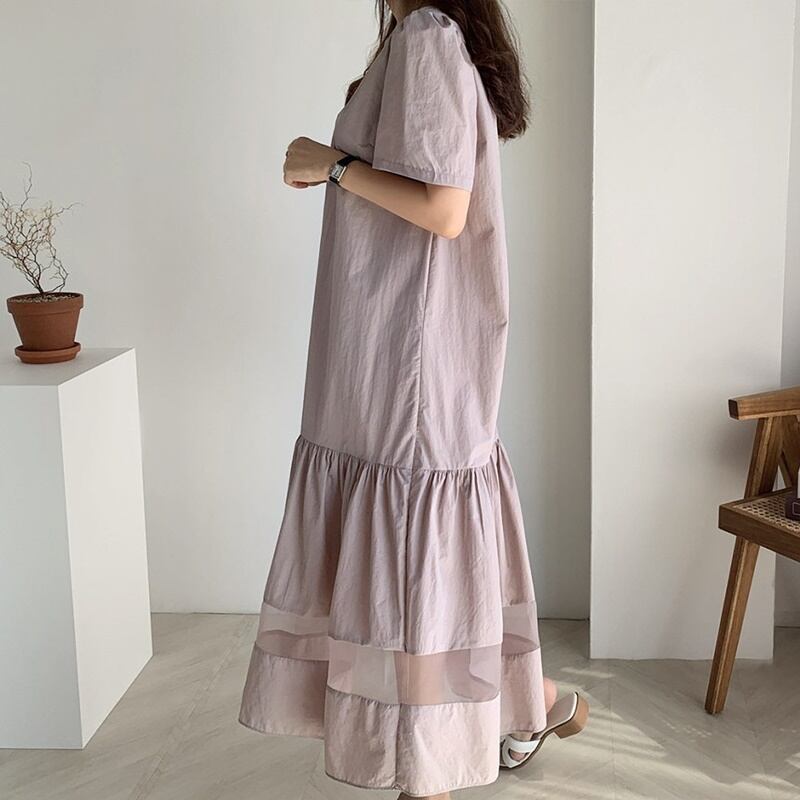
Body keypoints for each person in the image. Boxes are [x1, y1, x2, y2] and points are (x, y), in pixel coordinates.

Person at [238, 1, 588, 797]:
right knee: (422, 548)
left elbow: (445, 208)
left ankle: (425, 771)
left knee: (411, 551)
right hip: (388, 347)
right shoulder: (413, 34)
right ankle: (530, 704)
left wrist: (332, 163)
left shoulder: (428, 35)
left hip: (409, 356)